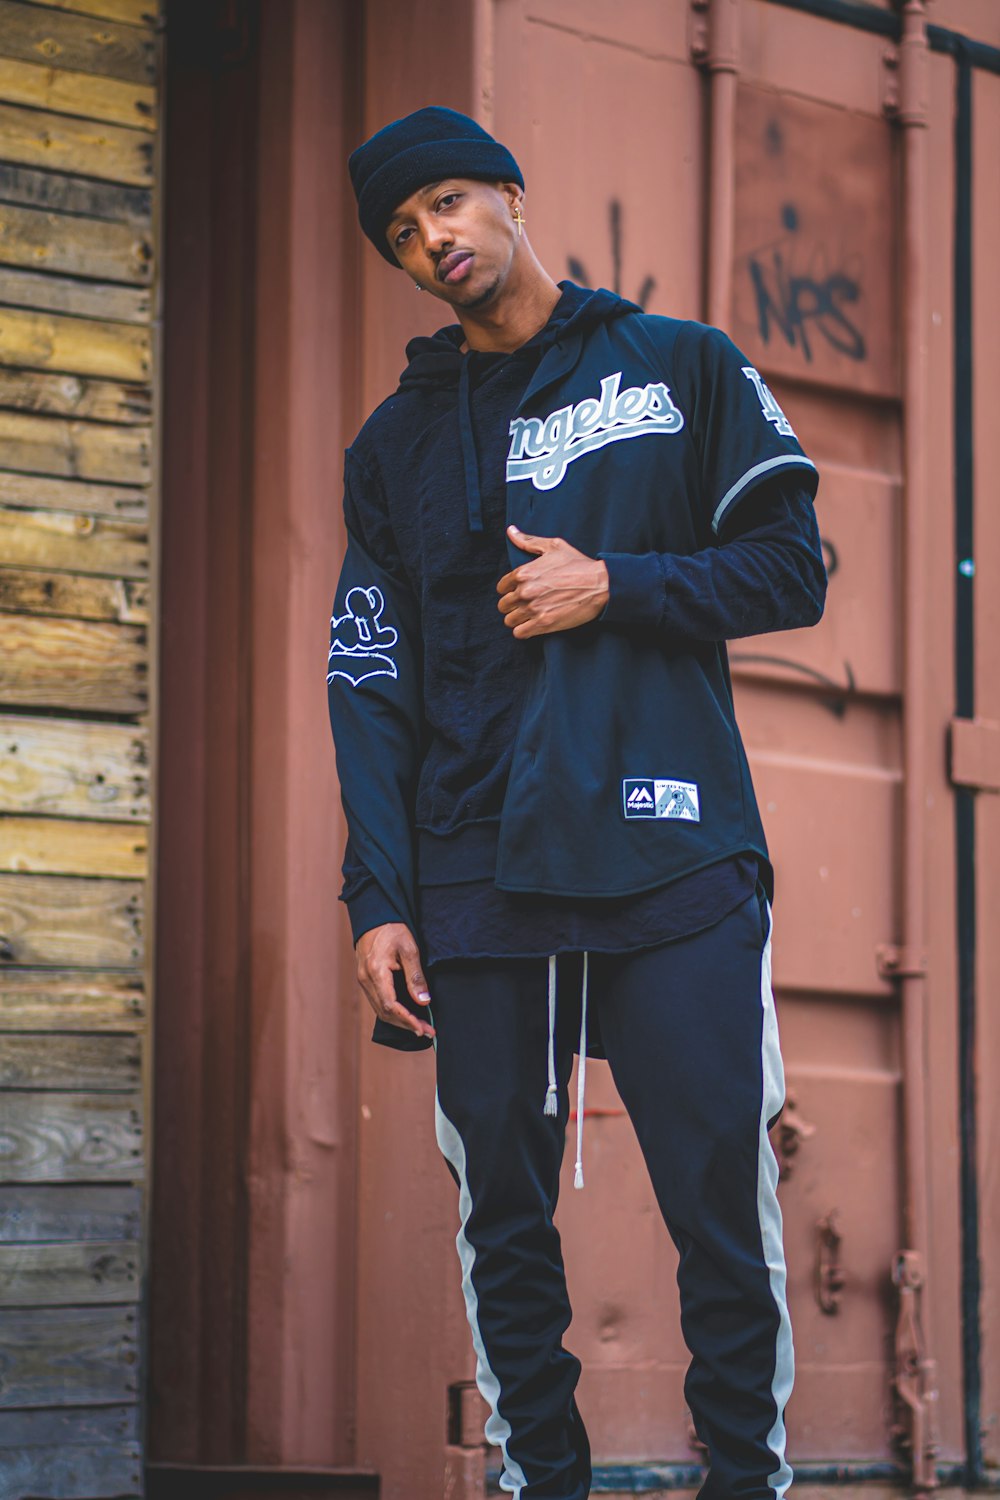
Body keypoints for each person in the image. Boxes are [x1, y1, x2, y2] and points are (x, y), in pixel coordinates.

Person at [327, 105, 826, 1500]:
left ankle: (747, 1481)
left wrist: (622, 583)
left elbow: (793, 570)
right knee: (505, 1223)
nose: (432, 240)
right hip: (478, 871)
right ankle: (543, 1480)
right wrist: (377, 894)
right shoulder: (397, 448)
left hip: (672, 854)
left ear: (508, 193)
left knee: (720, 1205)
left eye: (445, 205)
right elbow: (370, 678)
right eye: (402, 232)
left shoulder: (677, 369)